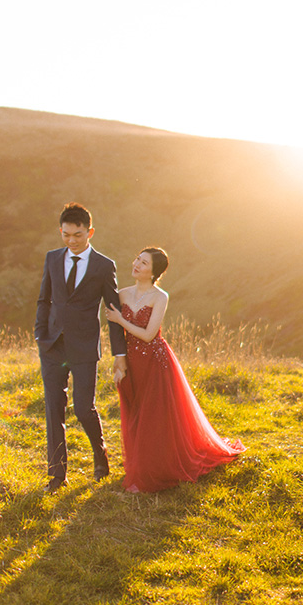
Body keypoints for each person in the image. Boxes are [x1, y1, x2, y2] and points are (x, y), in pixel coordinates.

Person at [105, 247, 245, 492]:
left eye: (144, 262)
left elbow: (149, 335)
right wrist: (119, 360)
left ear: (154, 271)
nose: (136, 264)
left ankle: (149, 473)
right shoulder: (121, 294)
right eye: (137, 259)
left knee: (154, 416)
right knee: (134, 411)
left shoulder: (160, 297)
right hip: (132, 361)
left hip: (155, 361)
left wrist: (121, 320)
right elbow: (116, 335)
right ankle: (139, 464)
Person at [34, 202, 128, 493]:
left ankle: (100, 457)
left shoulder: (104, 266)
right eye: (66, 235)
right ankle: (57, 475)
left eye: (78, 235)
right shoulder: (52, 259)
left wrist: (119, 354)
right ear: (60, 231)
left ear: (90, 232)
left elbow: (113, 312)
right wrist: (40, 333)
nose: (72, 241)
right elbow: (44, 299)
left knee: (83, 408)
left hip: (85, 347)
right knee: (53, 409)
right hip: (52, 345)